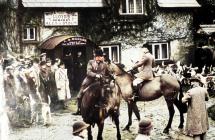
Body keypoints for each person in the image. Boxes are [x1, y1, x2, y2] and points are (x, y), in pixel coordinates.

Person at [73, 49, 109, 115]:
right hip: (90, 79)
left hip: (100, 80)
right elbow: (88, 72)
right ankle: (79, 109)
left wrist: (110, 76)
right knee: (80, 94)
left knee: (107, 90)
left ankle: (107, 107)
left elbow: (107, 73)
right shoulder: (90, 62)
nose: (98, 58)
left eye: (100, 56)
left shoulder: (104, 64)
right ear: (95, 56)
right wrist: (96, 75)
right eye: (97, 56)